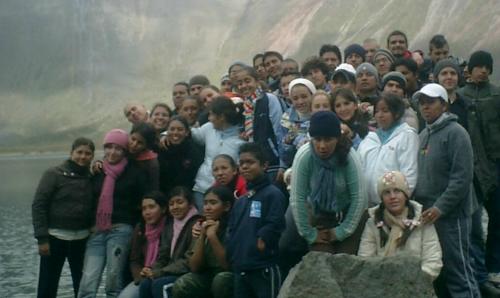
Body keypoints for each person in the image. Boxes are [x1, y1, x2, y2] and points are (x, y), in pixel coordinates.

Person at [435, 58, 500, 296]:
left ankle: (479, 279)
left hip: (471, 176)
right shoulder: (428, 104)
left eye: (453, 72)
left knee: (473, 231)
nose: (449, 77)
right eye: (444, 73)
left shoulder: (466, 104)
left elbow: (478, 140)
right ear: (436, 78)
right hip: (442, 178)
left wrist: (485, 172)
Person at [413, 83, 480, 297]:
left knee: (459, 270)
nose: (425, 107)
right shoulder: (423, 134)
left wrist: (440, 207)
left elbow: (461, 179)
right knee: (438, 273)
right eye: (422, 103)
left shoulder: (456, 133)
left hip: (452, 217)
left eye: (430, 102)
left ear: (443, 105)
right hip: (428, 215)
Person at [79, 129, 147, 298]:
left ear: (124, 151)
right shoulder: (97, 171)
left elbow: (142, 202)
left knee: (113, 280)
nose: (112, 152)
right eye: (109, 147)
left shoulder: (134, 172)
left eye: (118, 148)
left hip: (121, 230)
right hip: (96, 231)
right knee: (88, 280)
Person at [290, 111, 367, 254]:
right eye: (317, 139)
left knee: (345, 259)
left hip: (348, 214)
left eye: (328, 139)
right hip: (320, 213)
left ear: (337, 138)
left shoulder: (349, 157)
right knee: (320, 258)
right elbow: (297, 198)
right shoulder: (304, 156)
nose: (322, 146)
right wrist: (309, 234)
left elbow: (359, 198)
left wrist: (342, 232)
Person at [32, 137, 95, 298]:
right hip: (54, 239)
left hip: (82, 240)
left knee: (81, 285)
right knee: (48, 286)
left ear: (92, 156)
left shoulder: (93, 176)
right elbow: (39, 205)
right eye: (79, 152)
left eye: (88, 153)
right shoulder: (54, 174)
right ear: (71, 153)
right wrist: (42, 239)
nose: (83, 156)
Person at [458, 50, 500, 290]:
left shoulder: (497, 94)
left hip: (496, 162)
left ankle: (495, 267)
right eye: (479, 66)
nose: (483, 70)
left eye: (487, 67)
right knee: (472, 222)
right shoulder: (461, 96)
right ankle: (477, 270)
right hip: (471, 166)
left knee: (497, 218)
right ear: (470, 69)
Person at [226, 143, 286, 298]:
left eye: (250, 162)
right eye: (241, 163)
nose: (244, 167)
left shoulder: (273, 194)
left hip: (264, 268)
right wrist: (233, 249)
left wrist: (263, 238)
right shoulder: (241, 200)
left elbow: (276, 222)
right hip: (241, 268)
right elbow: (232, 229)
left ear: (264, 165)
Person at [358, 171, 442, 278]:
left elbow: (433, 260)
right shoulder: (373, 223)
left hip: (417, 285)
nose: (392, 197)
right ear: (382, 198)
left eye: (397, 191)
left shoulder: (422, 220)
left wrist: (415, 282)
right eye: (387, 192)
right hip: (380, 284)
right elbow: (364, 259)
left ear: (405, 195)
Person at [171, 186, 235, 298]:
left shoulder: (233, 228)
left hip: (229, 276)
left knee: (221, 280)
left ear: (227, 206)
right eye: (205, 203)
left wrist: (212, 236)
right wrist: (202, 236)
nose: (207, 208)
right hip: (207, 275)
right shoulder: (200, 226)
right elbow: (195, 267)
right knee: (183, 284)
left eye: (213, 203)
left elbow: (227, 266)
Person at [357, 92, 418, 206]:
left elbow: (409, 173)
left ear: (396, 113)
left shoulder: (407, 135)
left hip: (394, 206)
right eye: (377, 111)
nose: (380, 115)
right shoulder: (369, 139)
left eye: (385, 111)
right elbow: (359, 170)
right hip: (368, 206)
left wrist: (400, 203)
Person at [138, 187, 200, 298]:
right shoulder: (169, 226)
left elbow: (189, 260)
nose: (175, 207)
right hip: (170, 272)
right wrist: (151, 270)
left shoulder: (197, 224)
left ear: (190, 204)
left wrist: (161, 272)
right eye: (171, 204)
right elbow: (163, 256)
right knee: (145, 284)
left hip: (189, 274)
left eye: (180, 202)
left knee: (160, 285)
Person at [191, 97, 246, 210]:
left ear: (221, 117)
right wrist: (165, 134)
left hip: (226, 193)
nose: (209, 118)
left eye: (211, 115)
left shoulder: (242, 138)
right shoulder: (208, 129)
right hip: (202, 187)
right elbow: (189, 133)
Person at [237, 66, 284, 182]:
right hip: (257, 166)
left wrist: (283, 164)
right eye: (240, 83)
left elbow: (279, 131)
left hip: (274, 162)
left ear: (257, 81)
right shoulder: (246, 106)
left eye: (247, 81)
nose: (244, 86)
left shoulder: (269, 99)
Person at [118, 191, 169, 298]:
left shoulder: (171, 227)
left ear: (163, 209)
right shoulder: (140, 228)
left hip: (163, 274)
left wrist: (155, 272)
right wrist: (140, 276)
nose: (147, 212)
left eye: (151, 207)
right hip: (143, 277)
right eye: (144, 208)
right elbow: (134, 259)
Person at [157, 116, 204, 196]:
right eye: (172, 129)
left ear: (187, 132)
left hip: (187, 194)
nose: (175, 132)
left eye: (180, 129)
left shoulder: (194, 151)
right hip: (164, 193)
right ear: (167, 131)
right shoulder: (161, 148)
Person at [279, 78, 316, 168]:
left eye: (304, 96)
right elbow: (283, 155)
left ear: (312, 95)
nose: (300, 101)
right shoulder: (286, 119)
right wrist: (287, 143)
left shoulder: (321, 113)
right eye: (295, 98)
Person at [129, 122, 160, 191]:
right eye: (133, 139)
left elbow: (153, 187)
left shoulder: (151, 163)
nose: (134, 145)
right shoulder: (122, 151)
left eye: (140, 143)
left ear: (146, 146)